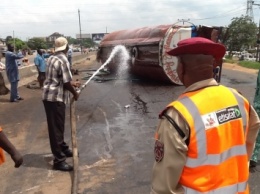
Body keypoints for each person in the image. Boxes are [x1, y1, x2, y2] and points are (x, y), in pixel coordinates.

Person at [151, 37, 260, 194]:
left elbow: (164, 187)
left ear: (180, 68)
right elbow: (250, 140)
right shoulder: (239, 99)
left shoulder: (178, 115)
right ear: (213, 66)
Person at [42, 37, 80, 172]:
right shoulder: (63, 59)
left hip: (49, 96)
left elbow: (57, 78)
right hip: (55, 98)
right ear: (66, 47)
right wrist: (75, 93)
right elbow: (65, 83)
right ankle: (58, 161)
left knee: (58, 126)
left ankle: (63, 148)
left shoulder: (52, 58)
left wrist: (72, 84)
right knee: (56, 129)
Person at [250, 69, 260, 167]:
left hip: (258, 104)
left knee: (255, 129)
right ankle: (253, 156)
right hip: (258, 104)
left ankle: (253, 156)